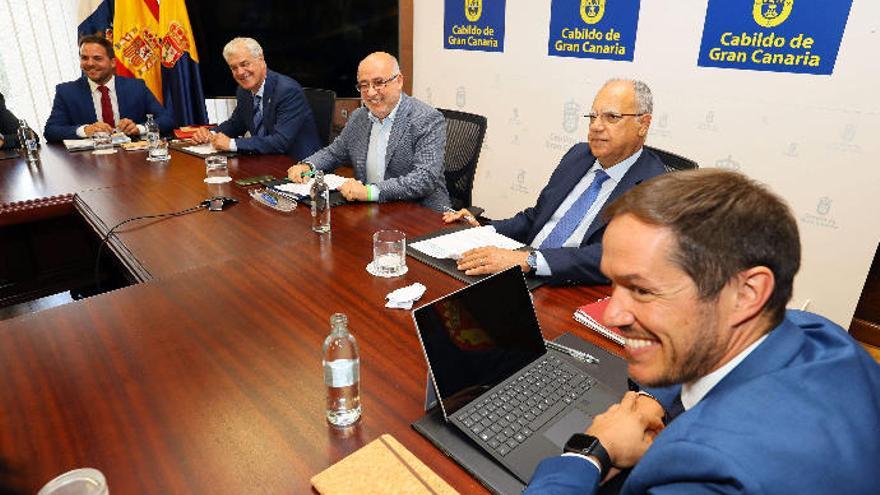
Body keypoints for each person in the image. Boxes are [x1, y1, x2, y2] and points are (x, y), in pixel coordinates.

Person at [525, 169, 880, 494]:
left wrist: (588, 454)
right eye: (614, 284)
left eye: (642, 290)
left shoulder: (711, 475)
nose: (613, 315)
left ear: (747, 293)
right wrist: (652, 401)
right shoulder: (822, 335)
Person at [443, 79, 666, 285]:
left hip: (571, 285)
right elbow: (537, 217)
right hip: (524, 270)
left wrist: (530, 261)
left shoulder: (654, 184)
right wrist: (485, 230)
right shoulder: (579, 155)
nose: (596, 126)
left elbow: (613, 256)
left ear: (643, 124)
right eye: (593, 116)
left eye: (611, 117)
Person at [287, 52, 450, 211]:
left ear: (399, 81)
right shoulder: (360, 117)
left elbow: (424, 179)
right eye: (364, 85)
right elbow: (335, 153)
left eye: (378, 83)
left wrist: (370, 192)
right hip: (371, 210)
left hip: (421, 214)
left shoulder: (427, 119)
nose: (371, 93)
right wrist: (308, 165)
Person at [191, 37, 321, 160]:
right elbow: (236, 124)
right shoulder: (244, 90)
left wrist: (231, 144)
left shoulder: (287, 90)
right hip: (265, 162)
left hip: (298, 165)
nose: (240, 72)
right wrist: (211, 134)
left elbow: (280, 142)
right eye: (234, 68)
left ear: (261, 59)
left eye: (245, 64)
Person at [44, 35, 174, 142]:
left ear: (112, 63)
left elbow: (167, 120)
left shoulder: (136, 87)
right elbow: (51, 131)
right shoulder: (67, 92)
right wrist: (85, 130)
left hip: (133, 162)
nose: (89, 63)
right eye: (84, 58)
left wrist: (138, 128)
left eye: (97, 58)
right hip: (90, 164)